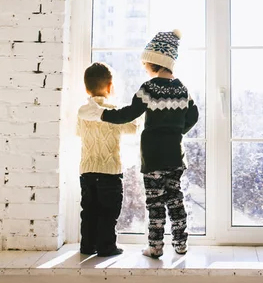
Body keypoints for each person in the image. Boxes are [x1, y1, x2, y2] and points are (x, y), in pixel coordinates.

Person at [80, 29, 199, 258]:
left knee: (155, 203)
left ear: (153, 62)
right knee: (175, 200)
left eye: (145, 63)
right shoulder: (183, 89)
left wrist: (102, 115)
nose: (144, 67)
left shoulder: (149, 88)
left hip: (153, 158)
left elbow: (128, 114)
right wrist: (177, 131)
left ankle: (155, 247)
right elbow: (193, 116)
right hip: (175, 156)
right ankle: (181, 244)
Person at [77, 62, 138, 257]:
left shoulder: (82, 111)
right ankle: (106, 246)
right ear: (111, 87)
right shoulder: (114, 110)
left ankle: (87, 245)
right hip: (110, 172)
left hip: (87, 170)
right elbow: (133, 128)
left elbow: (78, 132)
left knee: (88, 210)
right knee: (108, 211)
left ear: (86, 87)